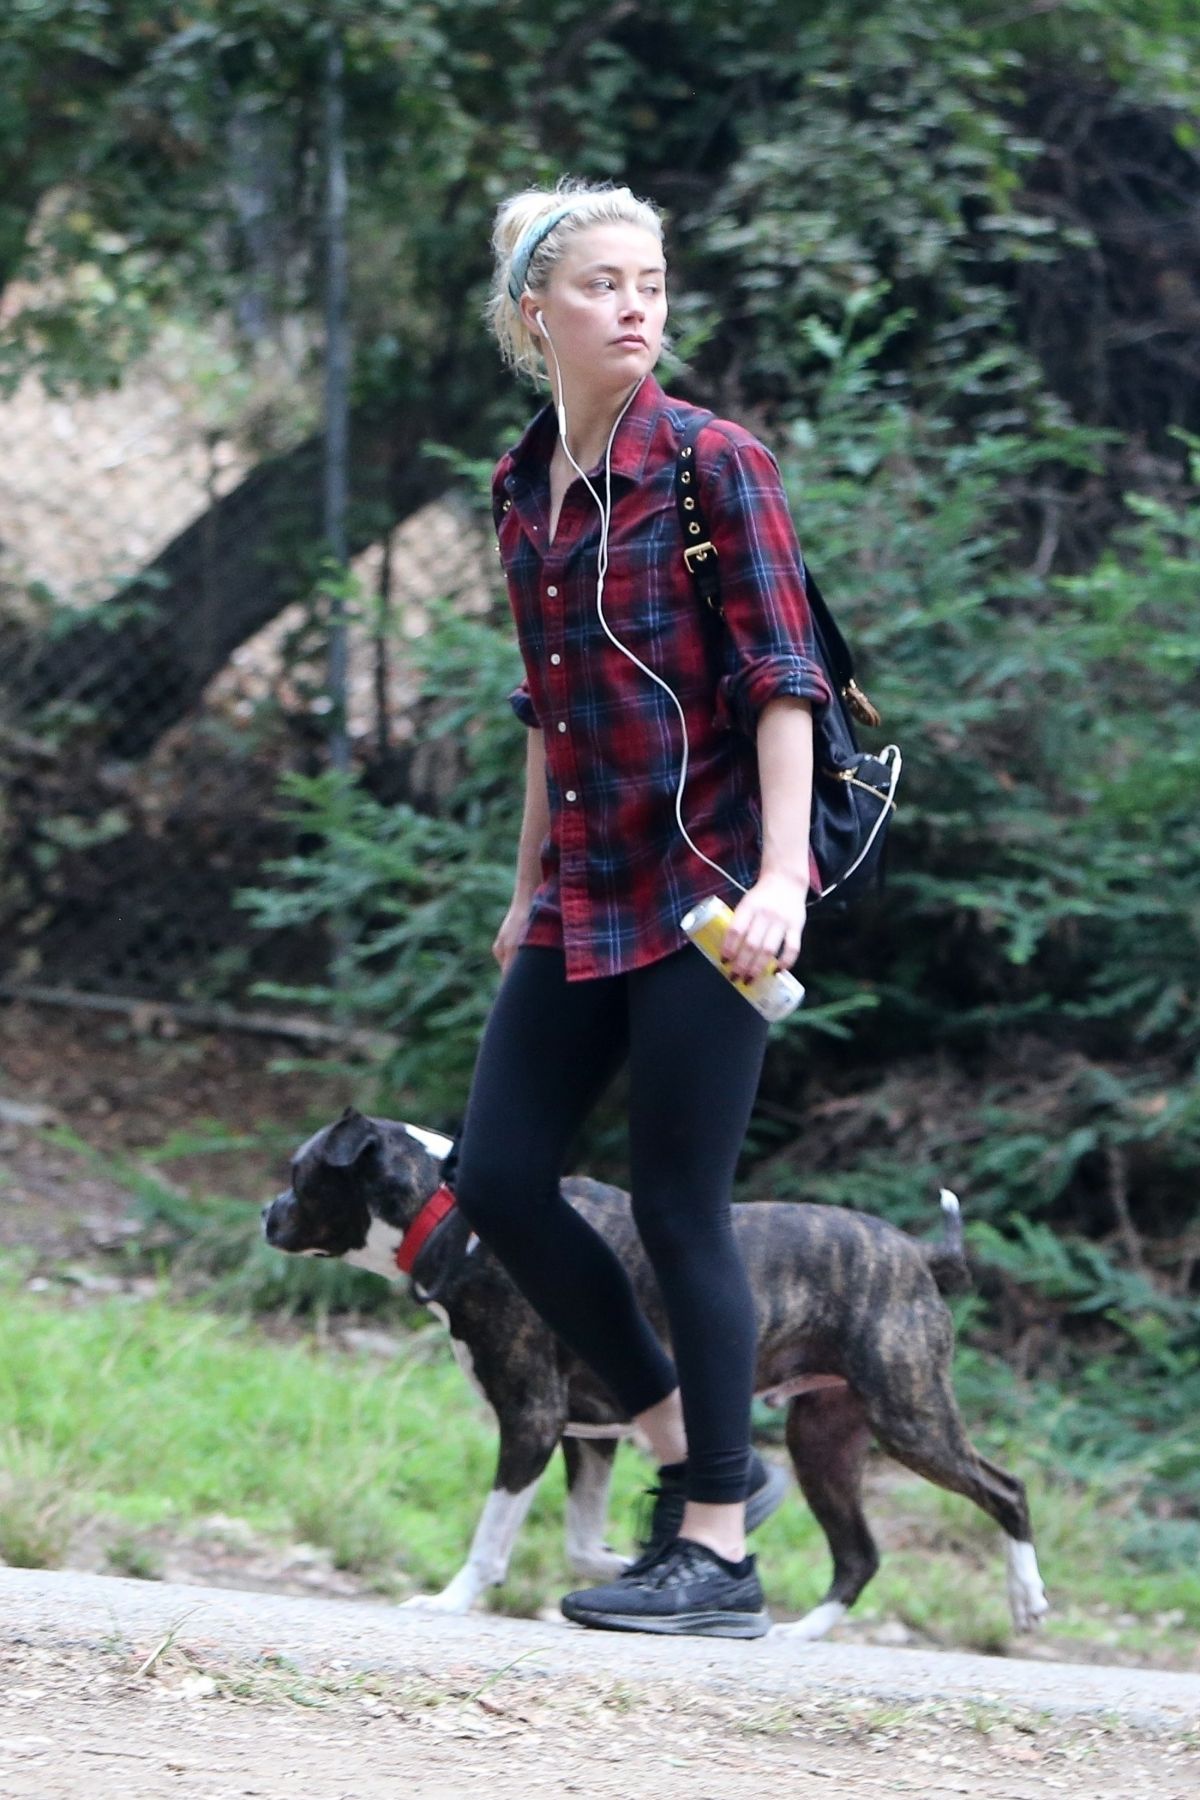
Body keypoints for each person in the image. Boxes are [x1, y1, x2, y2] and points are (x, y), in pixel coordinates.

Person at [451, 178, 831, 1638]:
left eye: (652, 283)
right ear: (533, 310)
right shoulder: (518, 481)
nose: (635, 305)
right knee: (495, 1177)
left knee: (679, 1206)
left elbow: (781, 679)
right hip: (586, 889)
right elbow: (549, 703)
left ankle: (720, 1557)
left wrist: (785, 877)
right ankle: (693, 1451)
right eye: (603, 282)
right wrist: (527, 882)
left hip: (715, 890)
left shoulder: (711, 463)